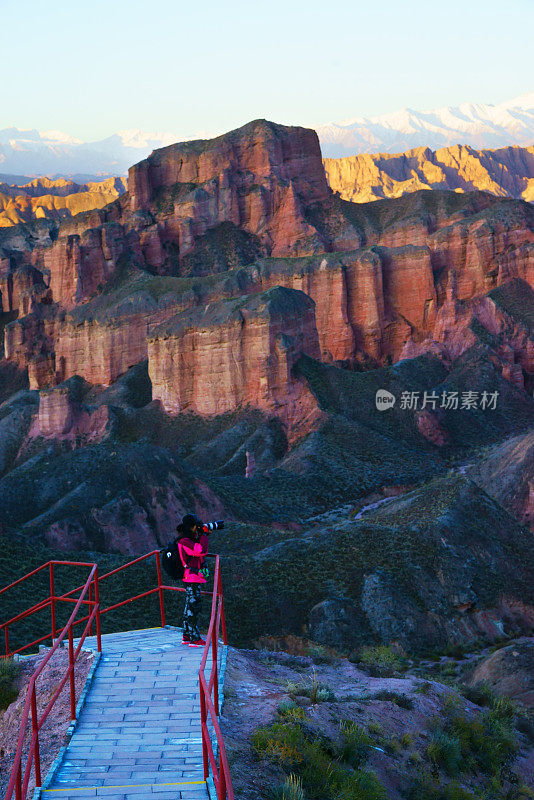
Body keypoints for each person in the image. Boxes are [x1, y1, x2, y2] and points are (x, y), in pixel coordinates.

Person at [177, 514, 209, 647]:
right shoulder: (184, 541)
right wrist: (204, 536)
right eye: (196, 526)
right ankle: (194, 638)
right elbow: (200, 550)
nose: (198, 528)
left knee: (189, 606)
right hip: (191, 578)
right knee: (193, 607)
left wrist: (201, 535)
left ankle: (186, 635)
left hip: (192, 577)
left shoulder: (187, 539)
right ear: (191, 527)